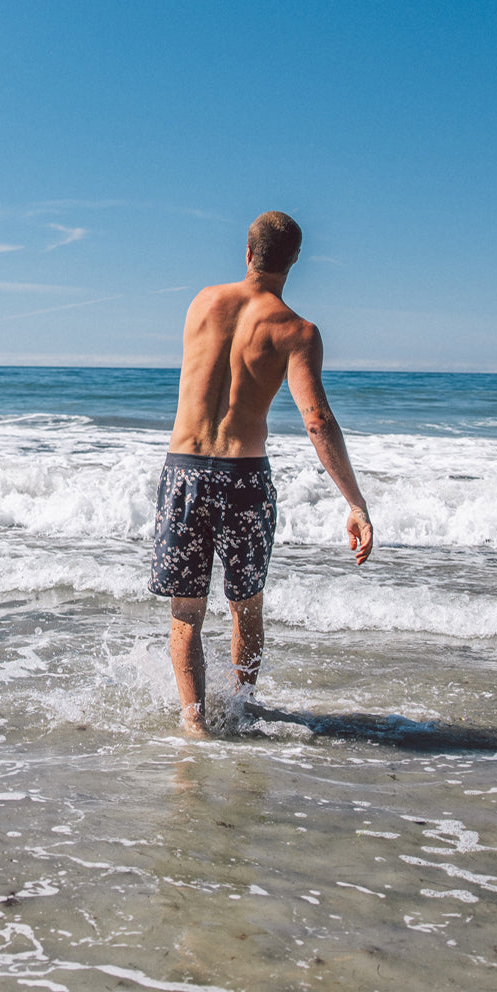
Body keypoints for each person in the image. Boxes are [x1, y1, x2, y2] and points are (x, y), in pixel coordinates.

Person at [148, 211, 373, 737]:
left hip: (184, 473)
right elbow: (316, 421)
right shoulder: (298, 331)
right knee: (245, 606)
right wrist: (355, 502)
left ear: (247, 253)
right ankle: (242, 709)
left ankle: (195, 723)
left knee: (187, 611)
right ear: (294, 262)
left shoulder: (202, 303)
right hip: (244, 479)